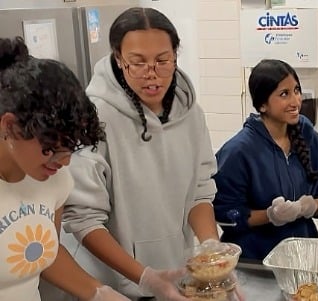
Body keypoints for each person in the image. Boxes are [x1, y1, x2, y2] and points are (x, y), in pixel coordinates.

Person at [43, 7, 223, 300]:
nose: (152, 74)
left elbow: (200, 192)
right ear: (118, 58)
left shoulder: (191, 115)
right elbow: (84, 218)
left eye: (163, 61)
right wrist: (144, 276)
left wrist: (211, 249)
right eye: (137, 63)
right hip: (110, 285)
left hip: (174, 278)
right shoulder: (95, 116)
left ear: (175, 56)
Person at [0, 37, 127, 300]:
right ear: (10, 126)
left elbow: (45, 254)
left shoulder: (54, 180)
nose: (64, 161)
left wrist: (101, 294)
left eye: (70, 149)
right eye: (51, 149)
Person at [213, 59, 318, 260]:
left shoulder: (306, 133)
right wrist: (271, 215)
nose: (296, 101)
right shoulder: (238, 151)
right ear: (262, 104)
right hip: (256, 262)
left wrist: (312, 206)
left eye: (296, 90)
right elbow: (226, 214)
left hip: (303, 258)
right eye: (284, 94)